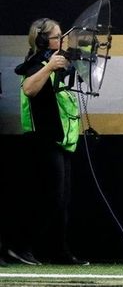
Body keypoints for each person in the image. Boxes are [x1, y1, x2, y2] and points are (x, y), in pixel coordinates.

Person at [15, 18, 86, 265]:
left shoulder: (56, 65)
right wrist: (48, 67)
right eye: (57, 36)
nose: (62, 40)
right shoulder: (36, 64)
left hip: (61, 142)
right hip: (42, 141)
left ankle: (58, 251)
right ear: (44, 40)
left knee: (63, 199)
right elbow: (29, 89)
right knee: (48, 198)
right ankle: (19, 246)